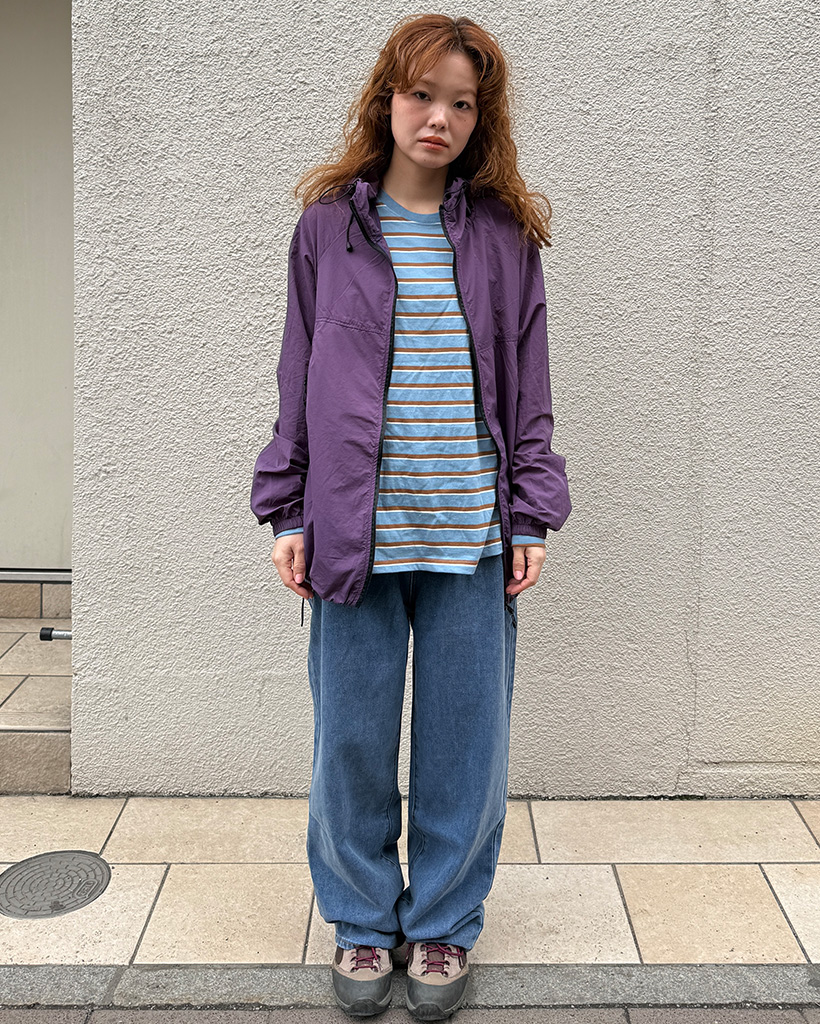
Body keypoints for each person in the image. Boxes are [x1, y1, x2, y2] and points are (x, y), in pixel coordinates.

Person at [250, 13, 571, 1020]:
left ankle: (440, 924)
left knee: (464, 747)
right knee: (349, 741)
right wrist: (287, 508)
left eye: (461, 102)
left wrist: (530, 514)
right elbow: (299, 374)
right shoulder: (328, 229)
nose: (438, 117)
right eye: (422, 94)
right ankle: (360, 920)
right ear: (386, 99)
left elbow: (530, 387)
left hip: (471, 532)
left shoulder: (503, 237)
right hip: (353, 533)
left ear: (481, 119)